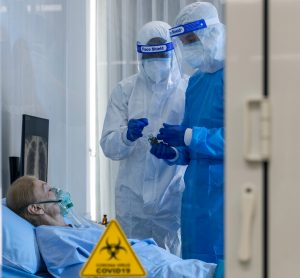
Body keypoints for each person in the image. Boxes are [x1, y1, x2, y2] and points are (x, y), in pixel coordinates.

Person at [5, 175, 220, 278]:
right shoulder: (52, 238)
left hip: (163, 263)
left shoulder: (70, 226)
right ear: (36, 209)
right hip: (157, 272)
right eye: (48, 189)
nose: (57, 191)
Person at [100, 21, 188, 256]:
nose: (156, 63)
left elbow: (196, 146)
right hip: (132, 201)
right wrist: (126, 137)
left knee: (169, 264)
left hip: (171, 199)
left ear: (172, 52)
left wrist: (175, 153)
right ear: (140, 56)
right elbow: (108, 144)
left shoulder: (187, 90)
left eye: (161, 55)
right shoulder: (125, 90)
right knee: (131, 263)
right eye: (150, 57)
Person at [150, 2, 225, 263]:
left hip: (227, 194)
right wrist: (174, 152)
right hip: (195, 198)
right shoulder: (196, 82)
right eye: (183, 41)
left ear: (212, 33)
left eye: (191, 39)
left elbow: (245, 139)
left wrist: (188, 137)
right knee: (193, 263)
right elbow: (190, 142)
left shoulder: (241, 75)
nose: (188, 46)